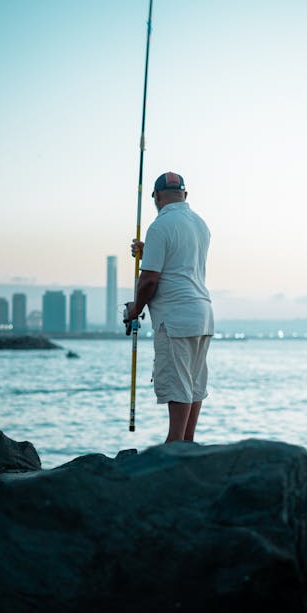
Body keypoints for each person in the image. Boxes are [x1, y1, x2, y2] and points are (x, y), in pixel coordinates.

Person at [124, 171, 214, 443]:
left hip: (175, 320)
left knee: (178, 387)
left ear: (156, 196)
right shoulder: (200, 224)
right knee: (194, 386)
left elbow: (149, 280)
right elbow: (179, 260)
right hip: (203, 315)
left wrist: (135, 309)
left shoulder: (160, 226)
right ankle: (186, 445)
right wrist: (148, 248)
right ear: (185, 195)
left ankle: (174, 447)